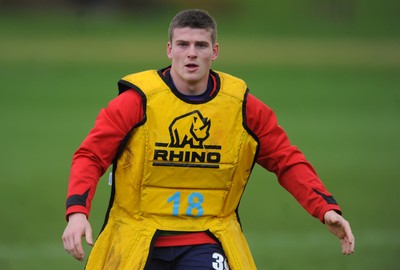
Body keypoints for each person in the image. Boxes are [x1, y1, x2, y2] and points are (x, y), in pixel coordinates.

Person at [62, 9, 355, 270]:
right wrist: (77, 213)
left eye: (200, 45)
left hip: (207, 239)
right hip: (136, 238)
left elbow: (286, 160)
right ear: (169, 49)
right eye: (183, 45)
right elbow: (91, 156)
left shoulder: (241, 107)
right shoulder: (136, 102)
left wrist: (325, 208)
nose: (191, 53)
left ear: (214, 51)